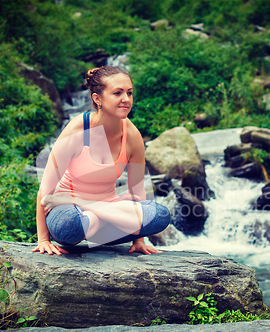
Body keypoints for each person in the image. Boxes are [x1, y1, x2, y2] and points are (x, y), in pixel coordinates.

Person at [33, 66, 171, 256]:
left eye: (129, 93)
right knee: (69, 225)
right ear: (97, 98)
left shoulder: (132, 135)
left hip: (107, 208)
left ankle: (92, 210)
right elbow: (45, 193)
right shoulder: (78, 131)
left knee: (160, 215)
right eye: (117, 93)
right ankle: (93, 214)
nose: (126, 99)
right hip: (70, 212)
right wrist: (43, 240)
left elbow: (137, 192)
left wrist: (139, 239)